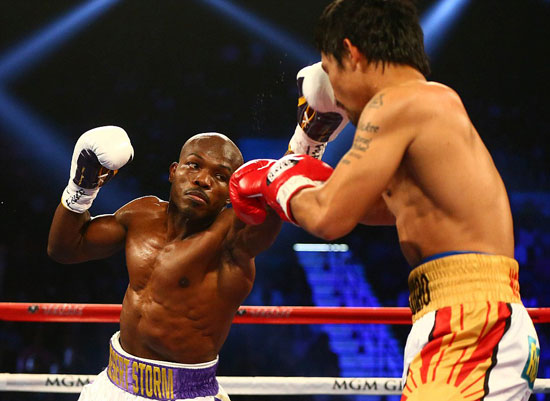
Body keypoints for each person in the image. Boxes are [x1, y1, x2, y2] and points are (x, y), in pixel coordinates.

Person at [229, 0, 541, 400]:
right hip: (461, 318)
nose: (335, 94)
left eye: (330, 69)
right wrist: (305, 149)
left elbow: (327, 217)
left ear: (351, 53)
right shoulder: (424, 106)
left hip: (472, 324)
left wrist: (274, 177)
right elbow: (364, 205)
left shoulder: (397, 103)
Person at [47, 127, 283, 401]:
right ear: (173, 171)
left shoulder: (231, 239)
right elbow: (65, 248)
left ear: (231, 194)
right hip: (113, 384)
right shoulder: (142, 215)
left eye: (220, 176)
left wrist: (306, 144)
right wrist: (82, 187)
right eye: (194, 165)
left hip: (184, 394)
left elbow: (271, 213)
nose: (203, 180)